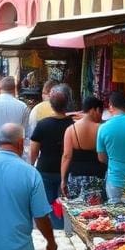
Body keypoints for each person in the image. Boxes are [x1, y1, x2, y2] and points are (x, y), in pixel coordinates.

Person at [30, 87, 74, 228]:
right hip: (66, 170)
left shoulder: (43, 124)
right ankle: (63, 228)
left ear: (51, 105)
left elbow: (34, 150)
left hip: (45, 168)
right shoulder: (73, 125)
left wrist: (31, 165)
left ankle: (56, 230)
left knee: (49, 203)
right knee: (66, 203)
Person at [61, 96, 107, 203]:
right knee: (97, 213)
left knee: (76, 213)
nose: (100, 116)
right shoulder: (102, 128)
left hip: (76, 178)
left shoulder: (71, 129)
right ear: (93, 109)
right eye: (100, 111)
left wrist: (63, 180)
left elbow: (67, 156)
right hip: (98, 177)